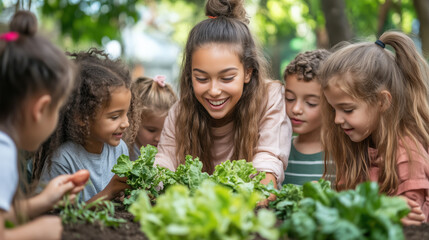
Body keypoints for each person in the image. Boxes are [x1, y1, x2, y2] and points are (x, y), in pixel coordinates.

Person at [154, 0, 292, 189]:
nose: (214, 91)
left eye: (227, 78)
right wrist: (152, 185)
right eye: (202, 79)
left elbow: (268, 160)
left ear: (248, 72)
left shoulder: (270, 97)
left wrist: (259, 196)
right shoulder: (180, 112)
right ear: (190, 75)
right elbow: (165, 160)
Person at [319, 31, 429, 225]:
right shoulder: (356, 144)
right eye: (333, 108)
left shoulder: (409, 155)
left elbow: (412, 221)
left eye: (347, 109)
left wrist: (381, 209)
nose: (336, 119)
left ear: (382, 101)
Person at [0, 11, 84, 239]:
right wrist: (41, 232)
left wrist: (43, 201)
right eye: (57, 110)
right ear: (40, 109)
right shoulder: (3, 152)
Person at [33, 48, 140, 203]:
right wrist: (108, 193)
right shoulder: (63, 160)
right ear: (82, 117)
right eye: (115, 116)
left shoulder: (120, 149)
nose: (126, 123)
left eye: (126, 113)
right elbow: (52, 216)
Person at [283, 49, 331, 186]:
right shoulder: (280, 151)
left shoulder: (344, 154)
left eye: (311, 103)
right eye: (289, 98)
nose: (296, 109)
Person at [131, 75, 177, 160]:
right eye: (151, 130)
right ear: (133, 121)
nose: (159, 138)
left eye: (165, 131)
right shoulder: (124, 154)